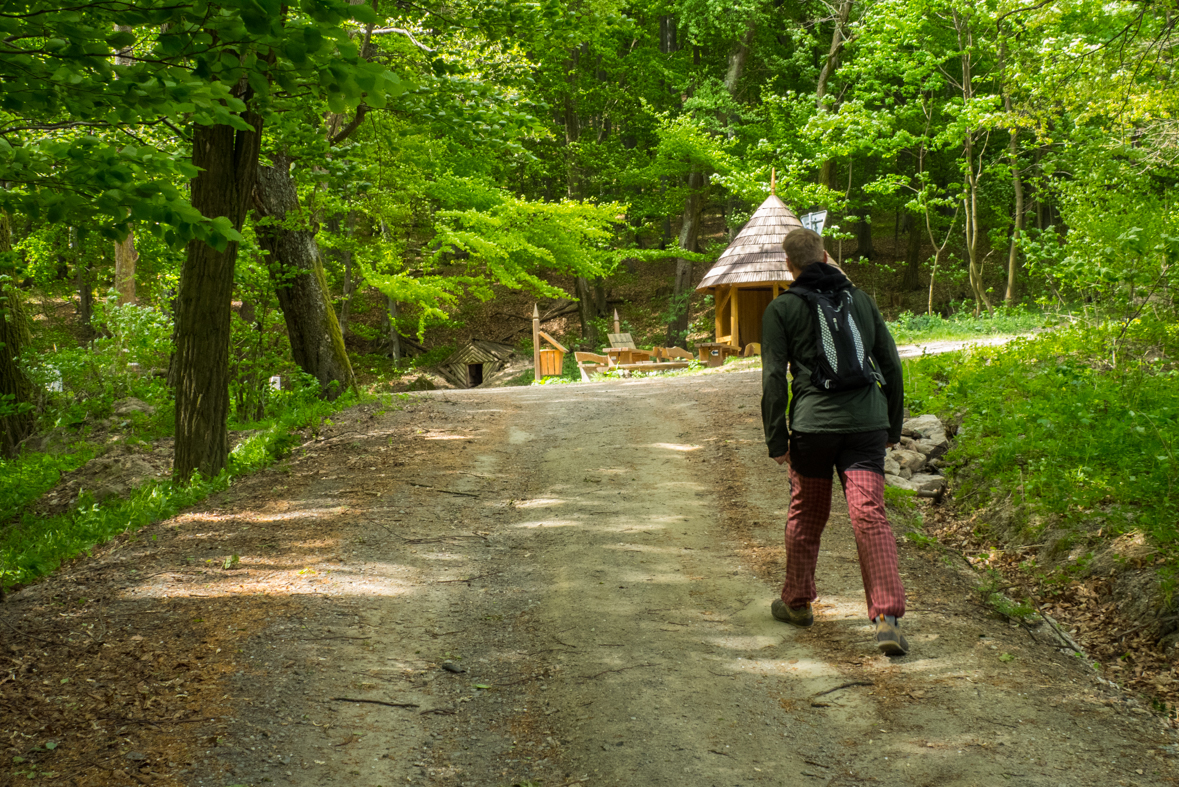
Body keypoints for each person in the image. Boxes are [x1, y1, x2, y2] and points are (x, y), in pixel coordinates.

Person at [760, 228, 909, 656]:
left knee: (807, 513)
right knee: (870, 517)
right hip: (866, 427)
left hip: (813, 429)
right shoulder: (861, 300)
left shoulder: (782, 309)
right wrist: (892, 427)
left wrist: (776, 438)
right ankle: (887, 619)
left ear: (789, 266)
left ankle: (798, 603)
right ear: (826, 256)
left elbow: (773, 379)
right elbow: (892, 366)